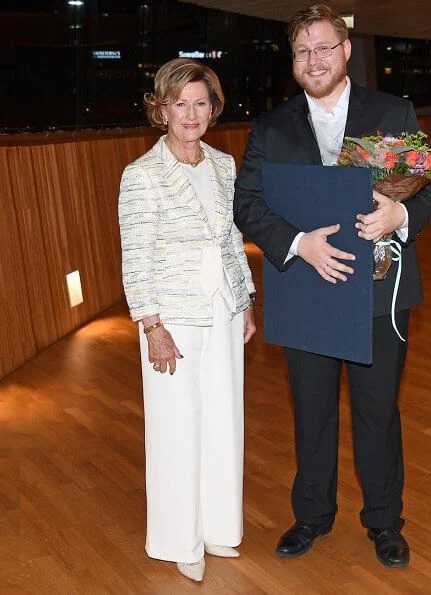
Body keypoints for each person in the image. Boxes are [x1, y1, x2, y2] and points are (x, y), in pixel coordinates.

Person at [234, 5, 431, 568]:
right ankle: (311, 517)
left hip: (378, 297)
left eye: (325, 47)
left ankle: (384, 522)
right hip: (305, 291)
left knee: (378, 413)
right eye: (303, 51)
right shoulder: (271, 127)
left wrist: (400, 216)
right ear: (293, 60)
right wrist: (299, 244)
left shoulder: (391, 110)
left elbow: (430, 187)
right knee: (312, 412)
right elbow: (247, 205)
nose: (314, 59)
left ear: (346, 50)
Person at [118, 58, 256, 583]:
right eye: (181, 103)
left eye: (201, 102)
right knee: (176, 428)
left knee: (224, 418)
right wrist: (151, 326)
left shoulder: (224, 165)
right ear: (162, 108)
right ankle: (180, 538)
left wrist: (243, 300)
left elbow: (229, 240)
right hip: (171, 316)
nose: (191, 113)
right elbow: (135, 256)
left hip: (221, 309)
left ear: (213, 107)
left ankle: (219, 526)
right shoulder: (142, 175)